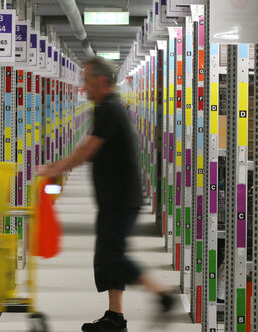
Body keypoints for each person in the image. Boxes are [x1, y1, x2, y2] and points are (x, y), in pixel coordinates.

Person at [37, 56, 175, 332]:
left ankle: (162, 295)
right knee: (106, 256)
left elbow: (87, 149)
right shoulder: (105, 107)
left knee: (113, 256)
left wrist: (55, 168)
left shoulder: (110, 108)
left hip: (121, 199)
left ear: (101, 81)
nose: (83, 87)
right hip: (113, 198)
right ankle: (115, 317)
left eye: (86, 81)